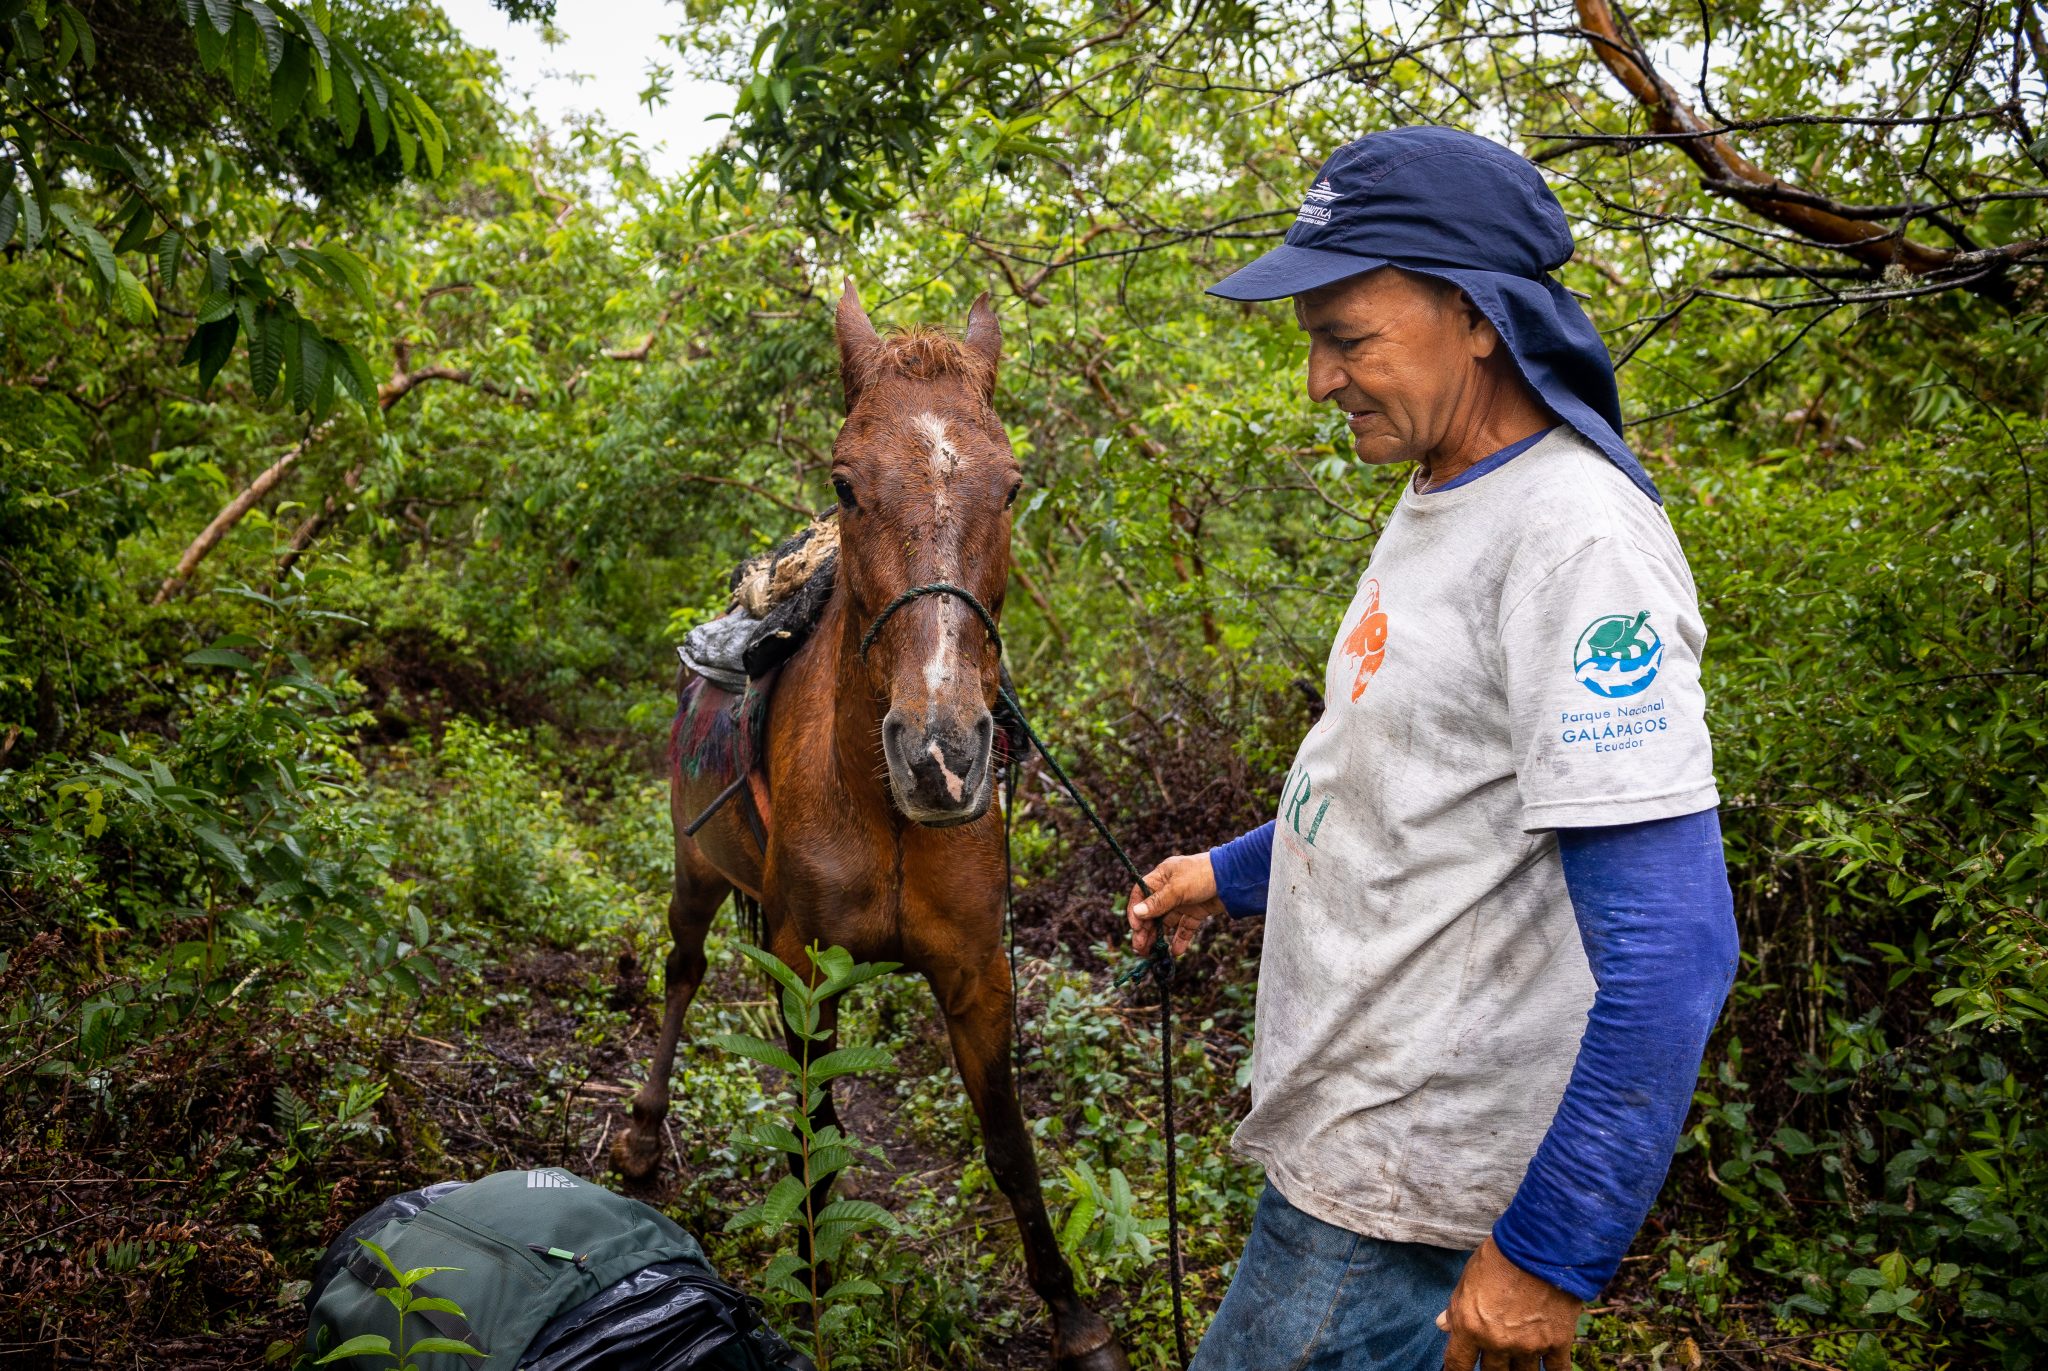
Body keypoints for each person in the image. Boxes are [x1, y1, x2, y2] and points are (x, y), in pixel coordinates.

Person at [1123, 126, 1739, 1371]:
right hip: (1355, 1142)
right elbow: (1401, 780)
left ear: (1474, 317)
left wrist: (1550, 1257)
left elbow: (1675, 949)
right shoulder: (1447, 489)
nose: (1316, 381)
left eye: (1344, 338)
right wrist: (1223, 874)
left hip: (1398, 1167)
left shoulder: (1571, 541)